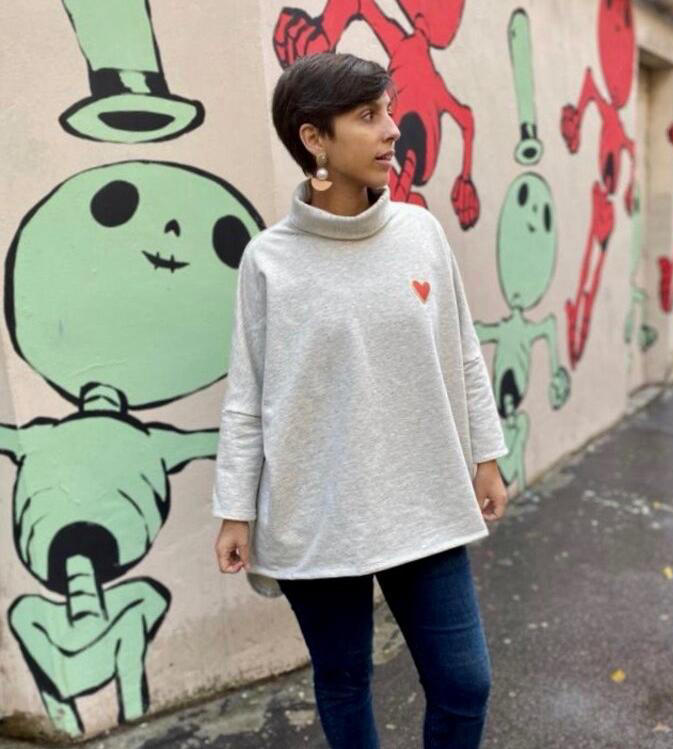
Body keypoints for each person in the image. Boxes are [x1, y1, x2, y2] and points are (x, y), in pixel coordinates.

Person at [212, 51, 509, 749]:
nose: (391, 130)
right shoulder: (268, 260)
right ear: (314, 138)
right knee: (343, 679)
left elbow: (462, 349)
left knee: (464, 682)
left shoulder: (420, 234)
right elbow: (248, 395)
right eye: (368, 116)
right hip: (314, 504)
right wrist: (234, 507)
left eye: (388, 111)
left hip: (421, 495)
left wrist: (486, 454)